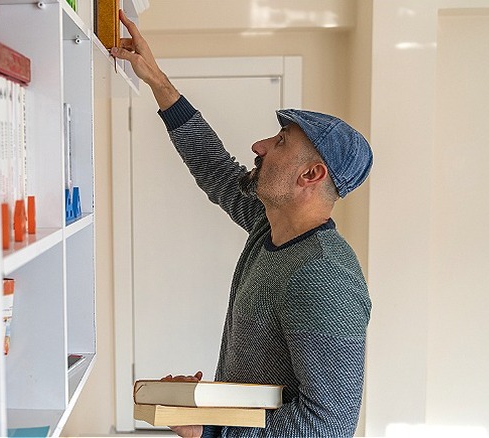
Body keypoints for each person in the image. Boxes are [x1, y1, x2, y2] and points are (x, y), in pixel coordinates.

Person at [111, 10, 373, 438]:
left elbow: (327, 427)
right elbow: (216, 170)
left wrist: (212, 430)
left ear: (311, 176)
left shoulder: (323, 277)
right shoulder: (270, 228)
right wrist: (158, 82)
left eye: (281, 142)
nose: (260, 145)